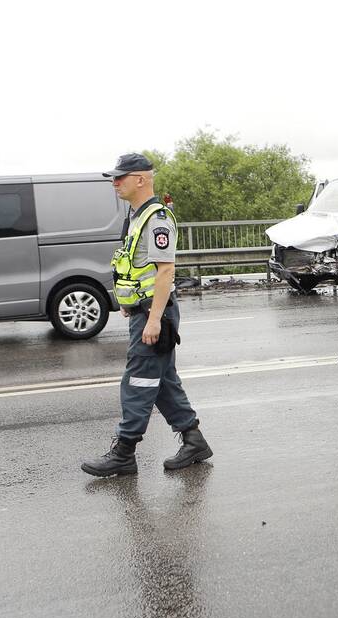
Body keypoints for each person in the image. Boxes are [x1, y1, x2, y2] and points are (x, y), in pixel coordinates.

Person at [81, 153, 213, 477]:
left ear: (140, 179)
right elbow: (135, 267)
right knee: (163, 381)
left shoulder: (157, 218)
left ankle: (124, 452)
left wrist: (153, 319)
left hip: (157, 314)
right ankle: (194, 441)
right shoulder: (136, 216)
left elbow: (165, 272)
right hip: (144, 311)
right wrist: (130, 303)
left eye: (119, 177)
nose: (114, 183)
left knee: (138, 381)